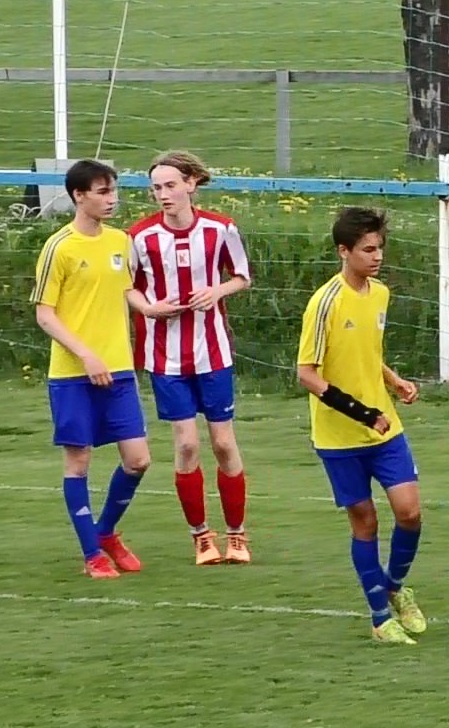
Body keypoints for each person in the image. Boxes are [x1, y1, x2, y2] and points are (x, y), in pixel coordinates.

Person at [296, 207, 427, 644]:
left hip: (385, 429)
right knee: (365, 521)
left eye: (380, 248)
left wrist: (394, 380)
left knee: (410, 512)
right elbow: (307, 374)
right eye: (368, 249)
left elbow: (366, 353)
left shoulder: (380, 294)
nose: (377, 256)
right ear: (343, 251)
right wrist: (363, 412)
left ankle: (395, 587)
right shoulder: (325, 302)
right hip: (340, 436)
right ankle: (379, 618)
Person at [127, 151, 254, 565]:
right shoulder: (140, 236)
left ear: (191, 184)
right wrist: (149, 308)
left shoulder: (220, 228)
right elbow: (127, 287)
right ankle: (201, 536)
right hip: (165, 357)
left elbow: (242, 277)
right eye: (156, 188)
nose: (163, 194)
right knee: (185, 444)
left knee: (223, 442)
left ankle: (237, 535)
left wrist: (216, 291)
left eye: (170, 185)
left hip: (212, 352)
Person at [32, 159, 153, 579]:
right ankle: (92, 556)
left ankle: (105, 533)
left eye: (113, 190)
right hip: (73, 375)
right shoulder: (59, 247)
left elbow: (125, 289)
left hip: (118, 369)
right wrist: (86, 355)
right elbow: (45, 314)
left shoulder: (121, 241)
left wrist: (151, 308)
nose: (112, 199)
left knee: (138, 460)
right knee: (78, 462)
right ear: (78, 196)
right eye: (102, 192)